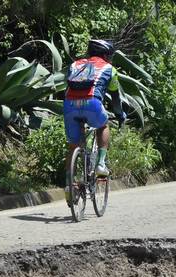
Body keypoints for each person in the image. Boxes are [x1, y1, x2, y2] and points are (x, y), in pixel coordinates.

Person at [63, 39, 126, 202]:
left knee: (73, 146)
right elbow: (115, 98)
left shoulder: (75, 65)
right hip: (92, 104)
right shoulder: (109, 69)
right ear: (106, 55)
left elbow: (68, 87)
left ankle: (69, 186)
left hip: (69, 105)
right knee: (103, 125)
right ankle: (100, 163)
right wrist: (120, 115)